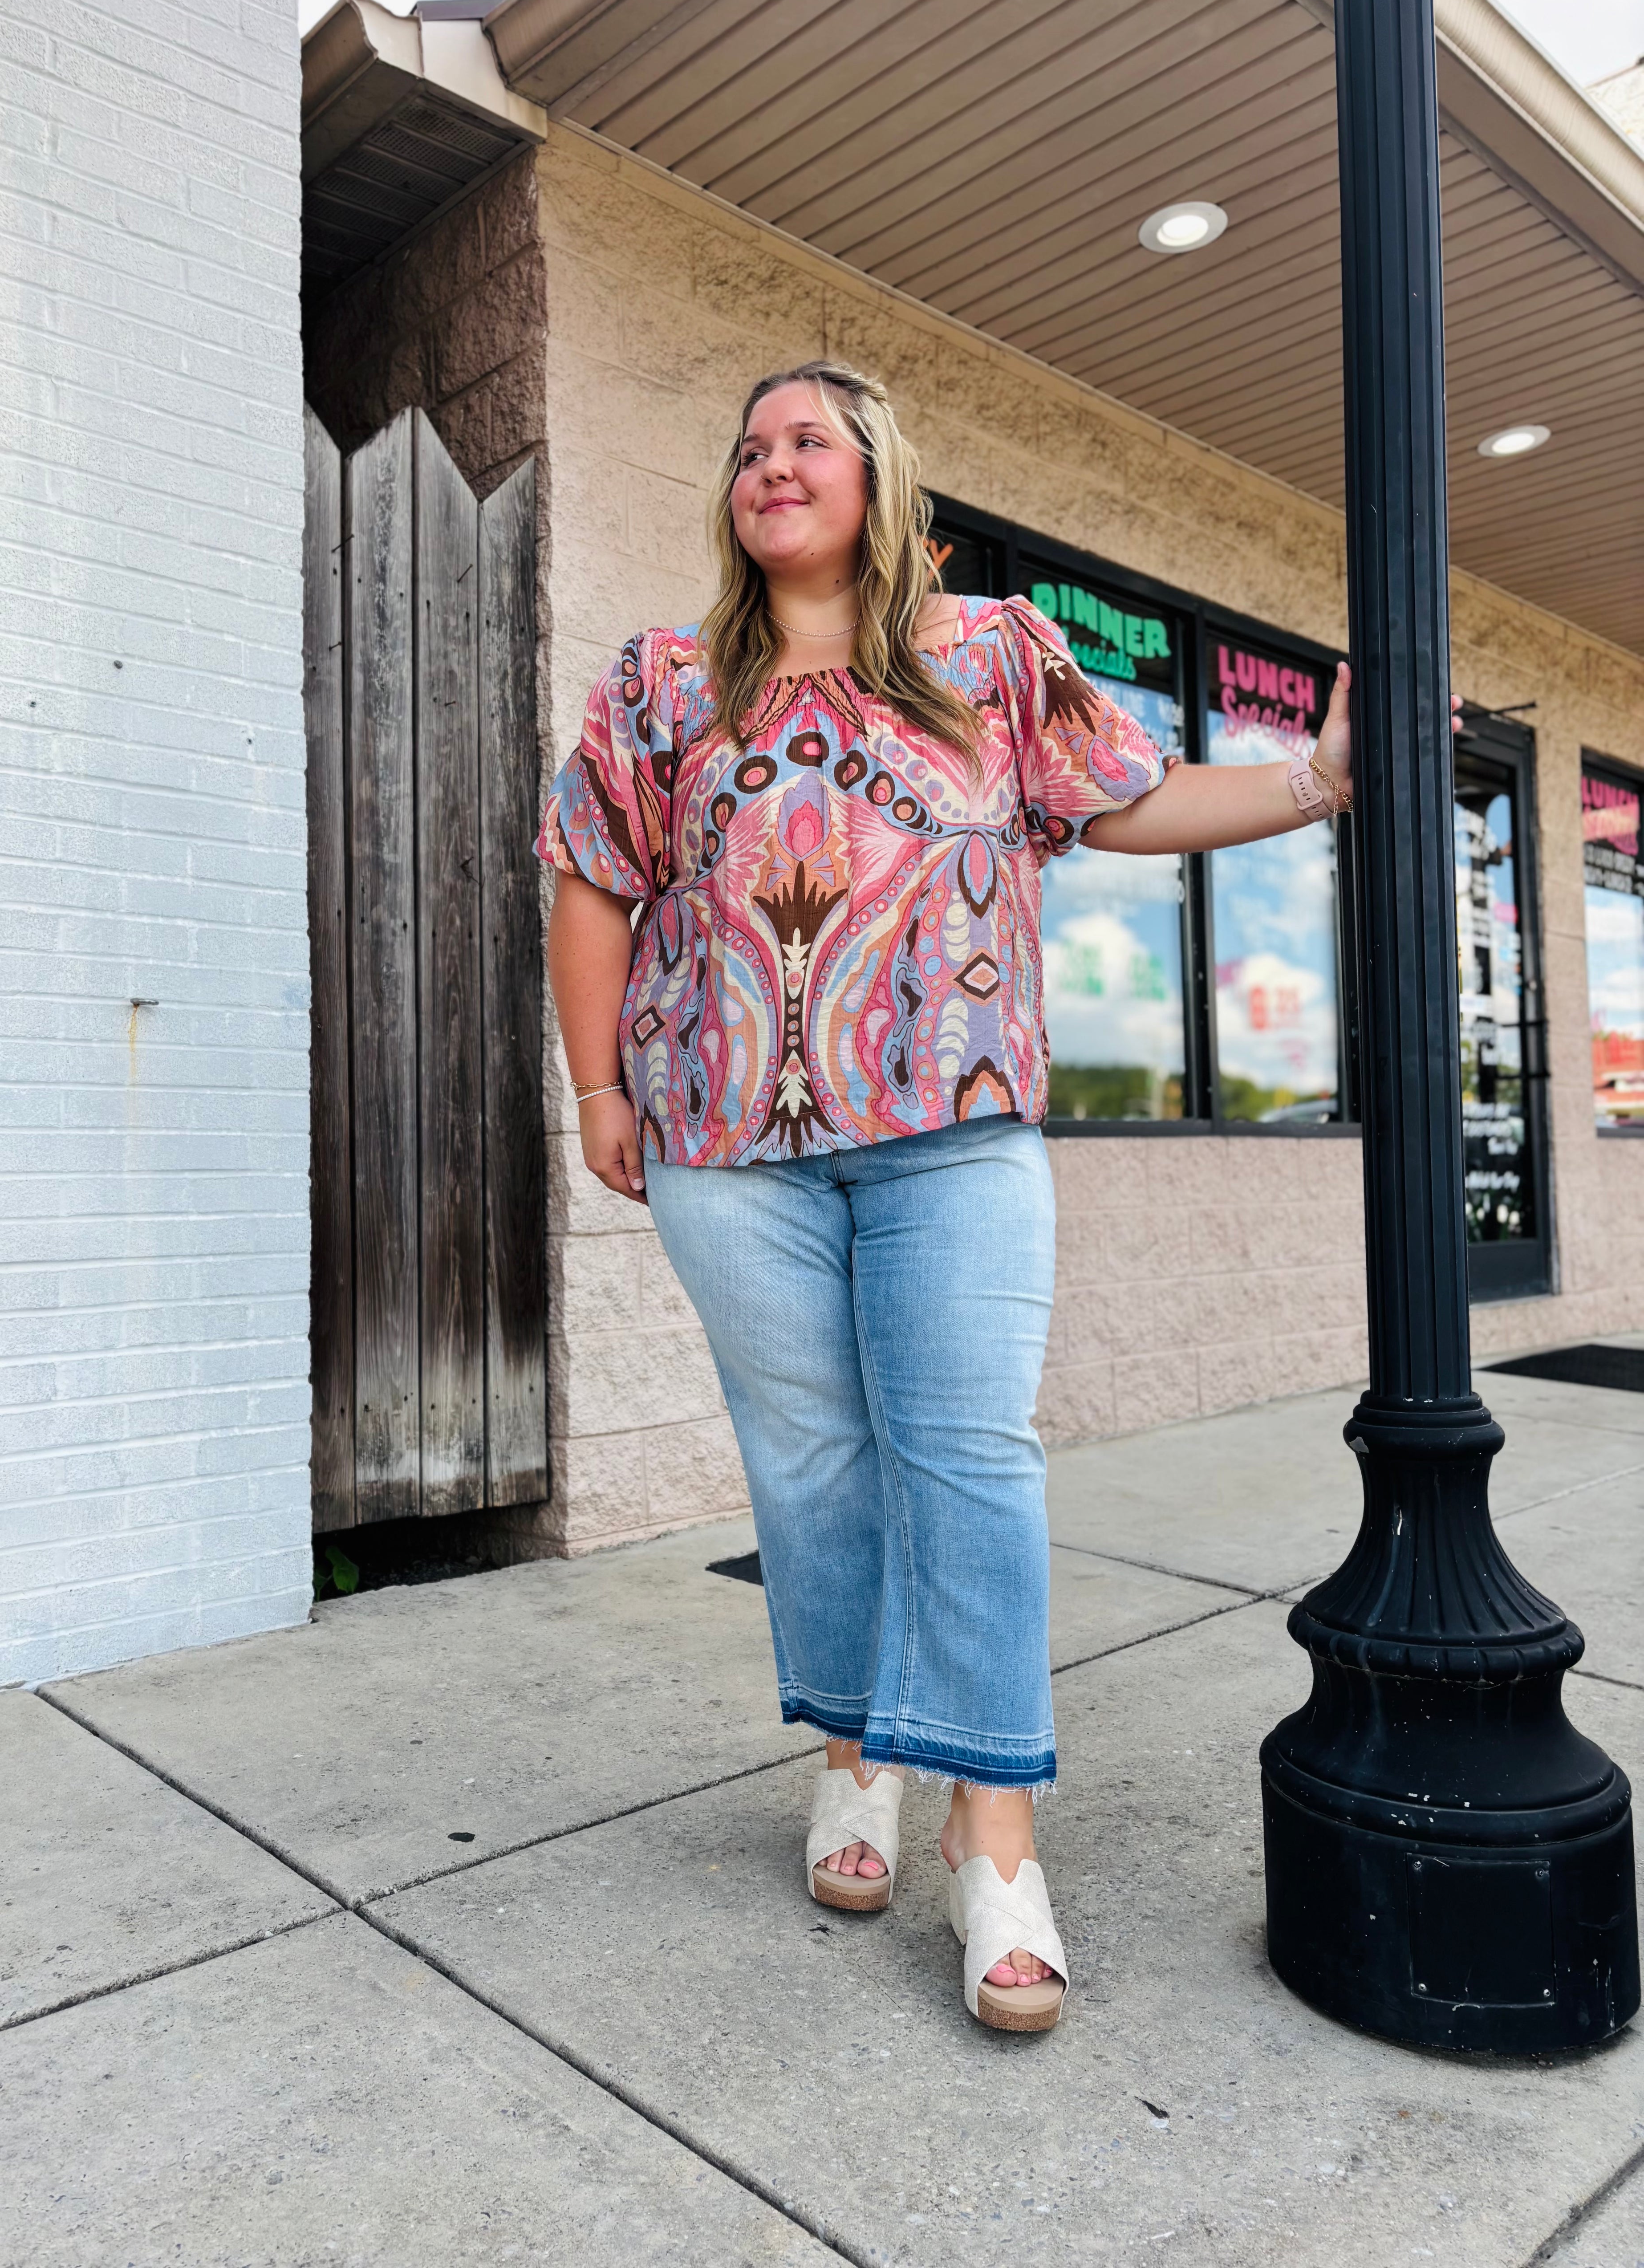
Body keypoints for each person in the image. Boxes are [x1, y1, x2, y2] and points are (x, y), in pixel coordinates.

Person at [538, 360, 1429, 2035]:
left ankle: (993, 1832)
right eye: (748, 447)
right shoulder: (661, 683)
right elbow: (595, 883)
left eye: (807, 439)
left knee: (965, 1453)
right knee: (809, 1458)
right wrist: (597, 1087)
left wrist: (1322, 780)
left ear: (881, 474)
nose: (769, 463)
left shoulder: (990, 657)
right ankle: (857, 1751)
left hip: (956, 1130)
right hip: (726, 1142)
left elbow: (1135, 799)